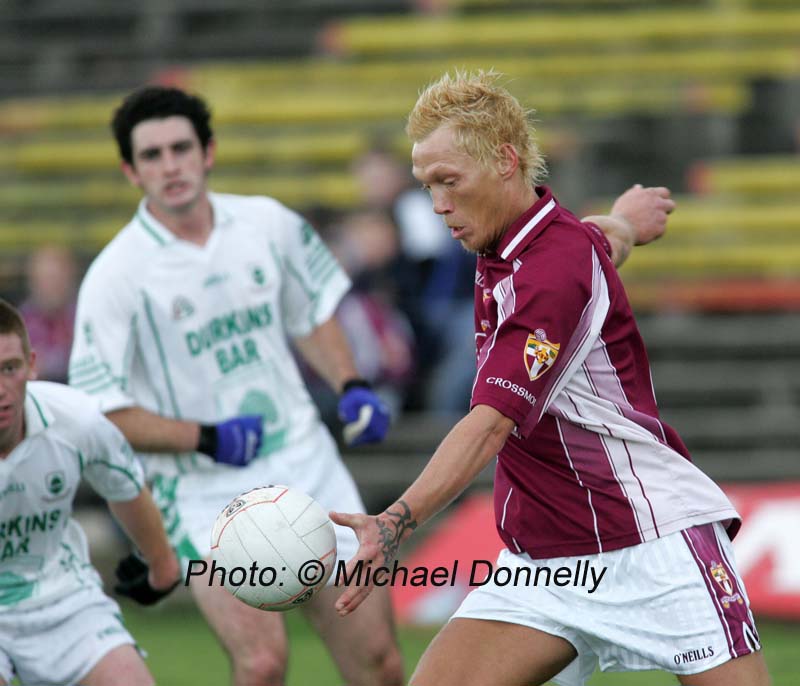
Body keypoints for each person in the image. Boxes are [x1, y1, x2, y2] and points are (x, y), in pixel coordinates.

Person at [331, 70, 770, 686]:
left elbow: (488, 424)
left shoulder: (552, 268)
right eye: (427, 185)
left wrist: (395, 519)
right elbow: (597, 241)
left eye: (448, 182)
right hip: (548, 566)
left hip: (650, 542)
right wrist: (625, 222)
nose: (437, 205)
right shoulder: (519, 246)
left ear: (506, 162)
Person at [67, 86, 401, 686]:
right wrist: (204, 437)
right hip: (201, 493)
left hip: (306, 461)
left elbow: (311, 314)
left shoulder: (267, 222)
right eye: (151, 155)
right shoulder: (116, 275)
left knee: (379, 663)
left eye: (180, 148)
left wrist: (351, 383)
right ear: (129, 170)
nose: (169, 166)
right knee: (263, 664)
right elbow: (102, 411)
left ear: (208, 152)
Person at [0, 298, 180, 686]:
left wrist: (162, 566)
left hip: (61, 596)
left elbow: (125, 488)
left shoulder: (77, 420)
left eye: (9, 369)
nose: (0, 390)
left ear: (31, 365)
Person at [19, 245, 79, 383]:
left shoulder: (82, 318)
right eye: (48, 279)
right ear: (33, 281)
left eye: (58, 279)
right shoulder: (20, 323)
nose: (53, 287)